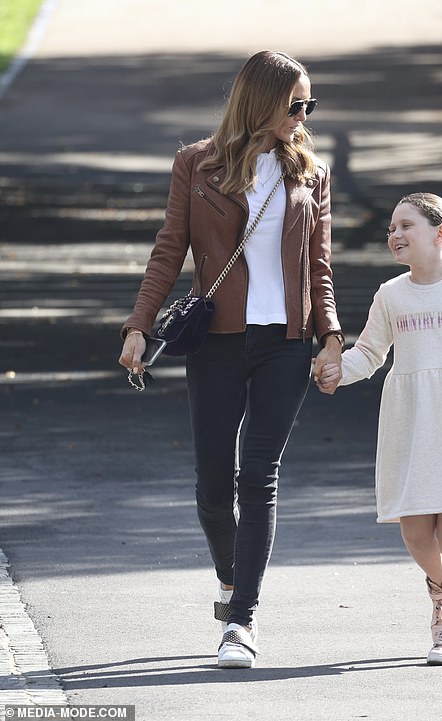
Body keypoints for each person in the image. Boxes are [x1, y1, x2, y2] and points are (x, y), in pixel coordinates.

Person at [118, 50, 344, 669]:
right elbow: (170, 250)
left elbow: (318, 268)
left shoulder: (312, 174)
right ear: (261, 102)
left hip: (287, 346)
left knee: (258, 477)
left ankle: (240, 620)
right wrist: (139, 325)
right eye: (296, 104)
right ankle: (229, 579)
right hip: (216, 341)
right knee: (215, 487)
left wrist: (330, 336)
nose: (304, 116)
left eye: (309, 105)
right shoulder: (196, 164)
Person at [316, 192, 442, 665]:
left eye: (406, 226)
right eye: (391, 228)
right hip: (411, 421)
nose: (395, 235)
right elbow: (368, 355)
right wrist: (334, 371)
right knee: (414, 532)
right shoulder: (390, 294)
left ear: (441, 233)